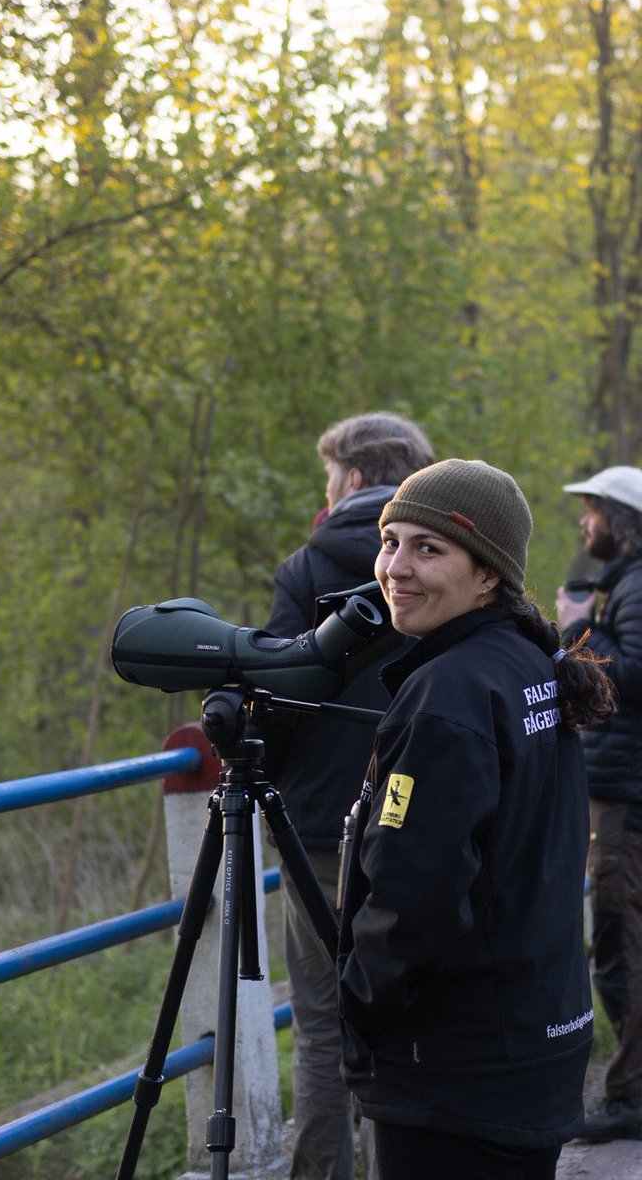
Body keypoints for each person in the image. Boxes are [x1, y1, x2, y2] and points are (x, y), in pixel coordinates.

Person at [337, 458, 615, 1180]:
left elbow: (414, 890)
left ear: (488, 573)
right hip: (531, 1036)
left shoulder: (448, 695)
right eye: (391, 541)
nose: (396, 567)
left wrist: (360, 1006)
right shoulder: (524, 660)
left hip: (456, 1065)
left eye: (429, 549)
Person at [263, 411, 435, 1180]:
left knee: (324, 1021)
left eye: (328, 476)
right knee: (408, 1011)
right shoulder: (450, 552)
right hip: (418, 814)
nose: (324, 491)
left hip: (318, 824)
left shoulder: (309, 565)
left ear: (355, 478)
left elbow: (282, 695)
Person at [556, 465, 642, 1142]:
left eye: (592, 511)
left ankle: (632, 1096)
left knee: (622, 938)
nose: (584, 524)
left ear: (620, 518)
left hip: (625, 791)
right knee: (615, 937)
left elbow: (632, 675)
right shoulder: (628, 582)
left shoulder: (637, 586)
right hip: (617, 784)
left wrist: (580, 631)